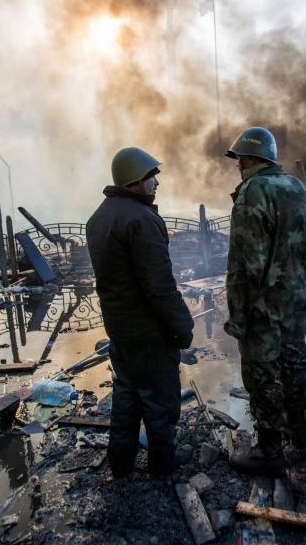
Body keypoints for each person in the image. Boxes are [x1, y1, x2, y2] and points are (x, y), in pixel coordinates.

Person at [86, 147, 195, 478]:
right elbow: (159, 287)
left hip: (120, 329)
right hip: (150, 333)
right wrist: (183, 326)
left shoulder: (100, 216)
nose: (156, 181)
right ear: (135, 180)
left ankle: (121, 463)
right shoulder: (141, 220)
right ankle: (162, 465)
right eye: (151, 176)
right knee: (160, 402)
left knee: (127, 395)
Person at [223, 127, 306, 477]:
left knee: (263, 373)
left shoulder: (253, 191)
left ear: (251, 158)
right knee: (294, 364)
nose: (238, 166)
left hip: (264, 305)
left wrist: (238, 317)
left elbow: (246, 265)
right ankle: (299, 433)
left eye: (239, 159)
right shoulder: (297, 187)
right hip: (297, 300)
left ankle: (269, 450)